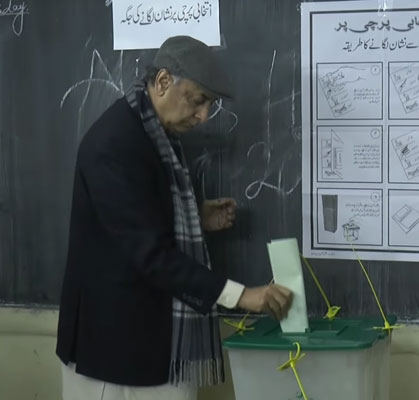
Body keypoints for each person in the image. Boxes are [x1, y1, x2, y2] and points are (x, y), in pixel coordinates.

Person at [56, 35, 293, 400]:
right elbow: (148, 253)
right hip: (113, 354)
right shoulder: (114, 144)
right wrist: (241, 295)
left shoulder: (154, 133)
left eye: (209, 105)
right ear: (164, 82)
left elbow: (137, 218)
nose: (203, 116)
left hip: (156, 344)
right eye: (198, 101)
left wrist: (195, 215)